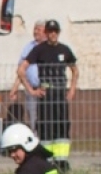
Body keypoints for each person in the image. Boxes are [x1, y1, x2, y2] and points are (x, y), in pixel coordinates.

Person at [23, 21, 79, 163]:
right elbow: (21, 69)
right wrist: (32, 90)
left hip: (60, 94)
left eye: (56, 31)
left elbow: (75, 70)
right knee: (45, 128)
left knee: (62, 127)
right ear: (46, 33)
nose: (53, 34)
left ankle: (62, 161)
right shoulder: (39, 49)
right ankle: (47, 161)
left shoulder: (64, 49)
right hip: (46, 95)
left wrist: (72, 89)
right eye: (50, 31)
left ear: (58, 33)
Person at [15, 20, 46, 129]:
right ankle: (35, 137)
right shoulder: (29, 47)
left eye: (39, 29)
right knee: (32, 116)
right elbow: (21, 69)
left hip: (46, 88)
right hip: (31, 89)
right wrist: (15, 87)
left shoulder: (49, 47)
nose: (36, 32)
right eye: (35, 29)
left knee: (46, 116)